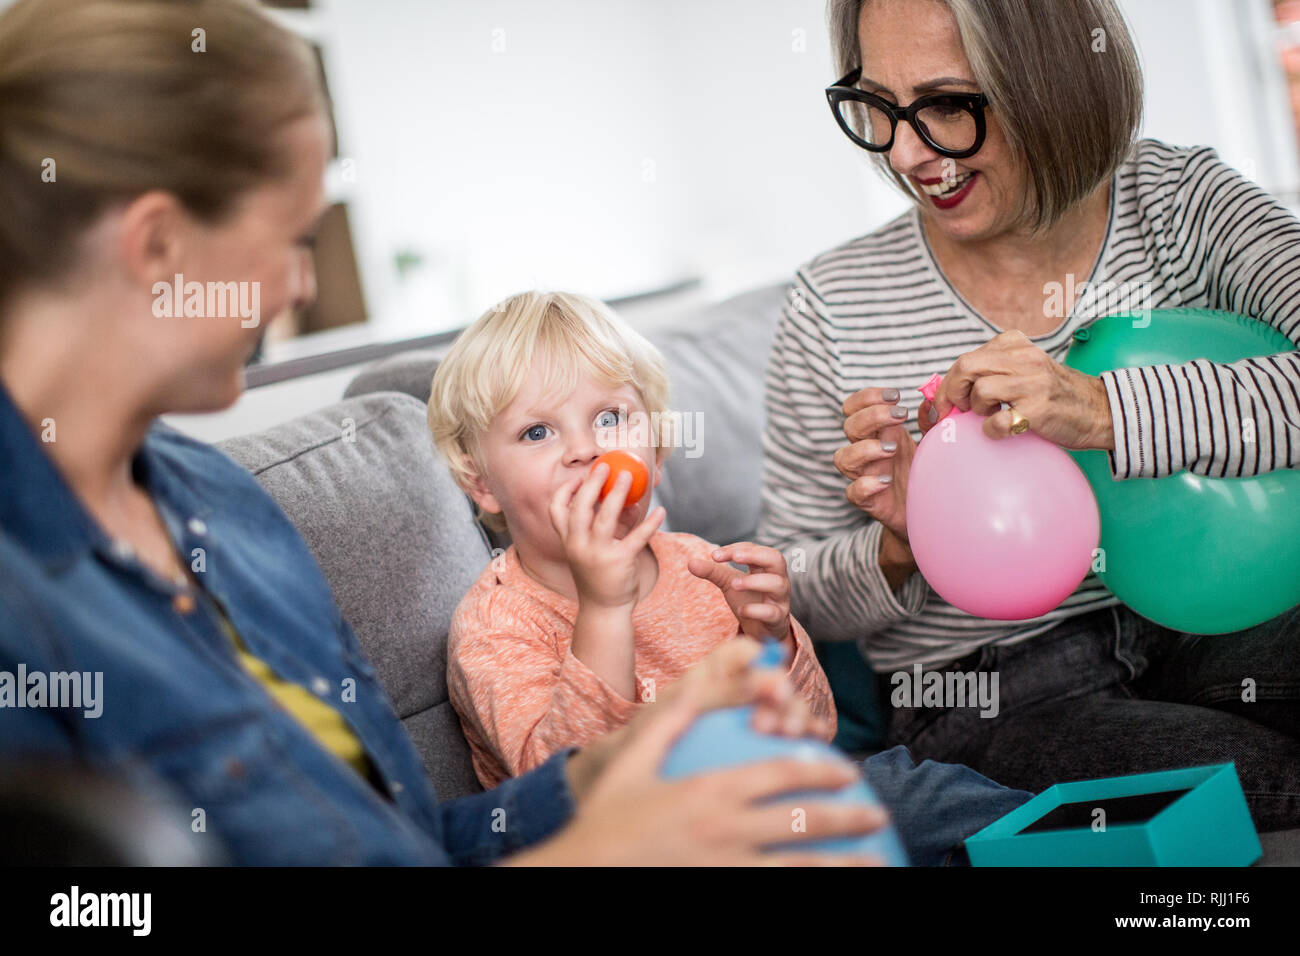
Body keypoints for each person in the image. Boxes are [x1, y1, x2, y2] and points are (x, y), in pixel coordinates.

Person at [0, 0, 1031, 866]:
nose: (302, 282)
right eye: (292, 236)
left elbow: (420, 839)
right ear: (159, 244)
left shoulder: (223, 509)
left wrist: (630, 761)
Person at [757, 0, 1300, 831]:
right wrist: (903, 545)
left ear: (1050, 83)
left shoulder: (1181, 202)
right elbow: (794, 593)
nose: (905, 152)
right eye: (878, 105)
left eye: (948, 104)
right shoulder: (833, 301)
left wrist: (1100, 407)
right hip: (990, 686)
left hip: (1208, 614)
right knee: (1257, 785)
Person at [429, 290, 837, 789]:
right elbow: (569, 792)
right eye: (537, 432)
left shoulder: (703, 567)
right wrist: (603, 607)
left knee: (916, 788)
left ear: (658, 453)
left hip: (765, 807)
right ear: (483, 485)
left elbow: (815, 737)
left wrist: (772, 640)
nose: (585, 449)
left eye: (609, 418)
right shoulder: (496, 627)